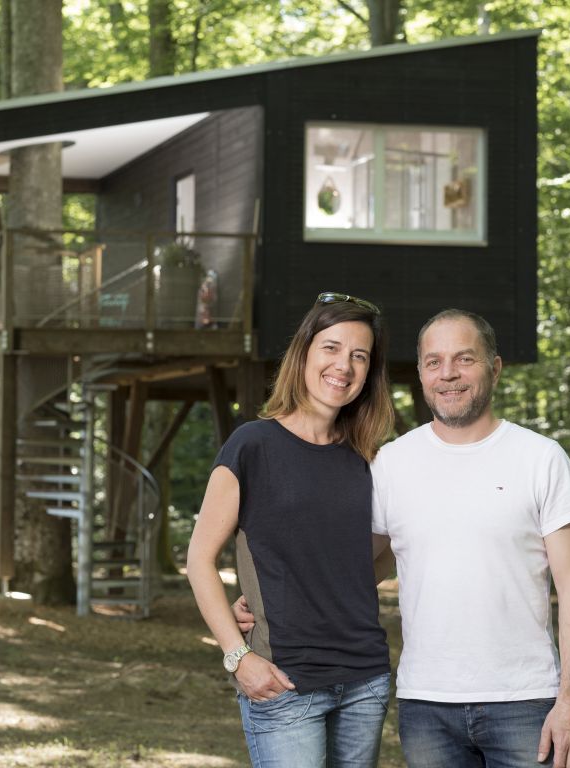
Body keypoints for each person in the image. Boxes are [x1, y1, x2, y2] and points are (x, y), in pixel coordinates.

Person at [234, 308, 570, 768]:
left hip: (525, 701)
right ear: (422, 371)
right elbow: (356, 568)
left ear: (495, 368)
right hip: (425, 705)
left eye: (464, 359)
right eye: (434, 362)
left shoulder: (542, 459)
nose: (448, 374)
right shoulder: (391, 463)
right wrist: (266, 603)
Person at [187, 292, 396, 768]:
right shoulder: (252, 445)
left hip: (364, 678)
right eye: (332, 347)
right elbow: (199, 559)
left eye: (359, 356)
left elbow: (377, 559)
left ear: (368, 374)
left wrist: (301, 588)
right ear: (304, 352)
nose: (343, 365)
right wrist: (237, 656)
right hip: (284, 680)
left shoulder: (370, 460)